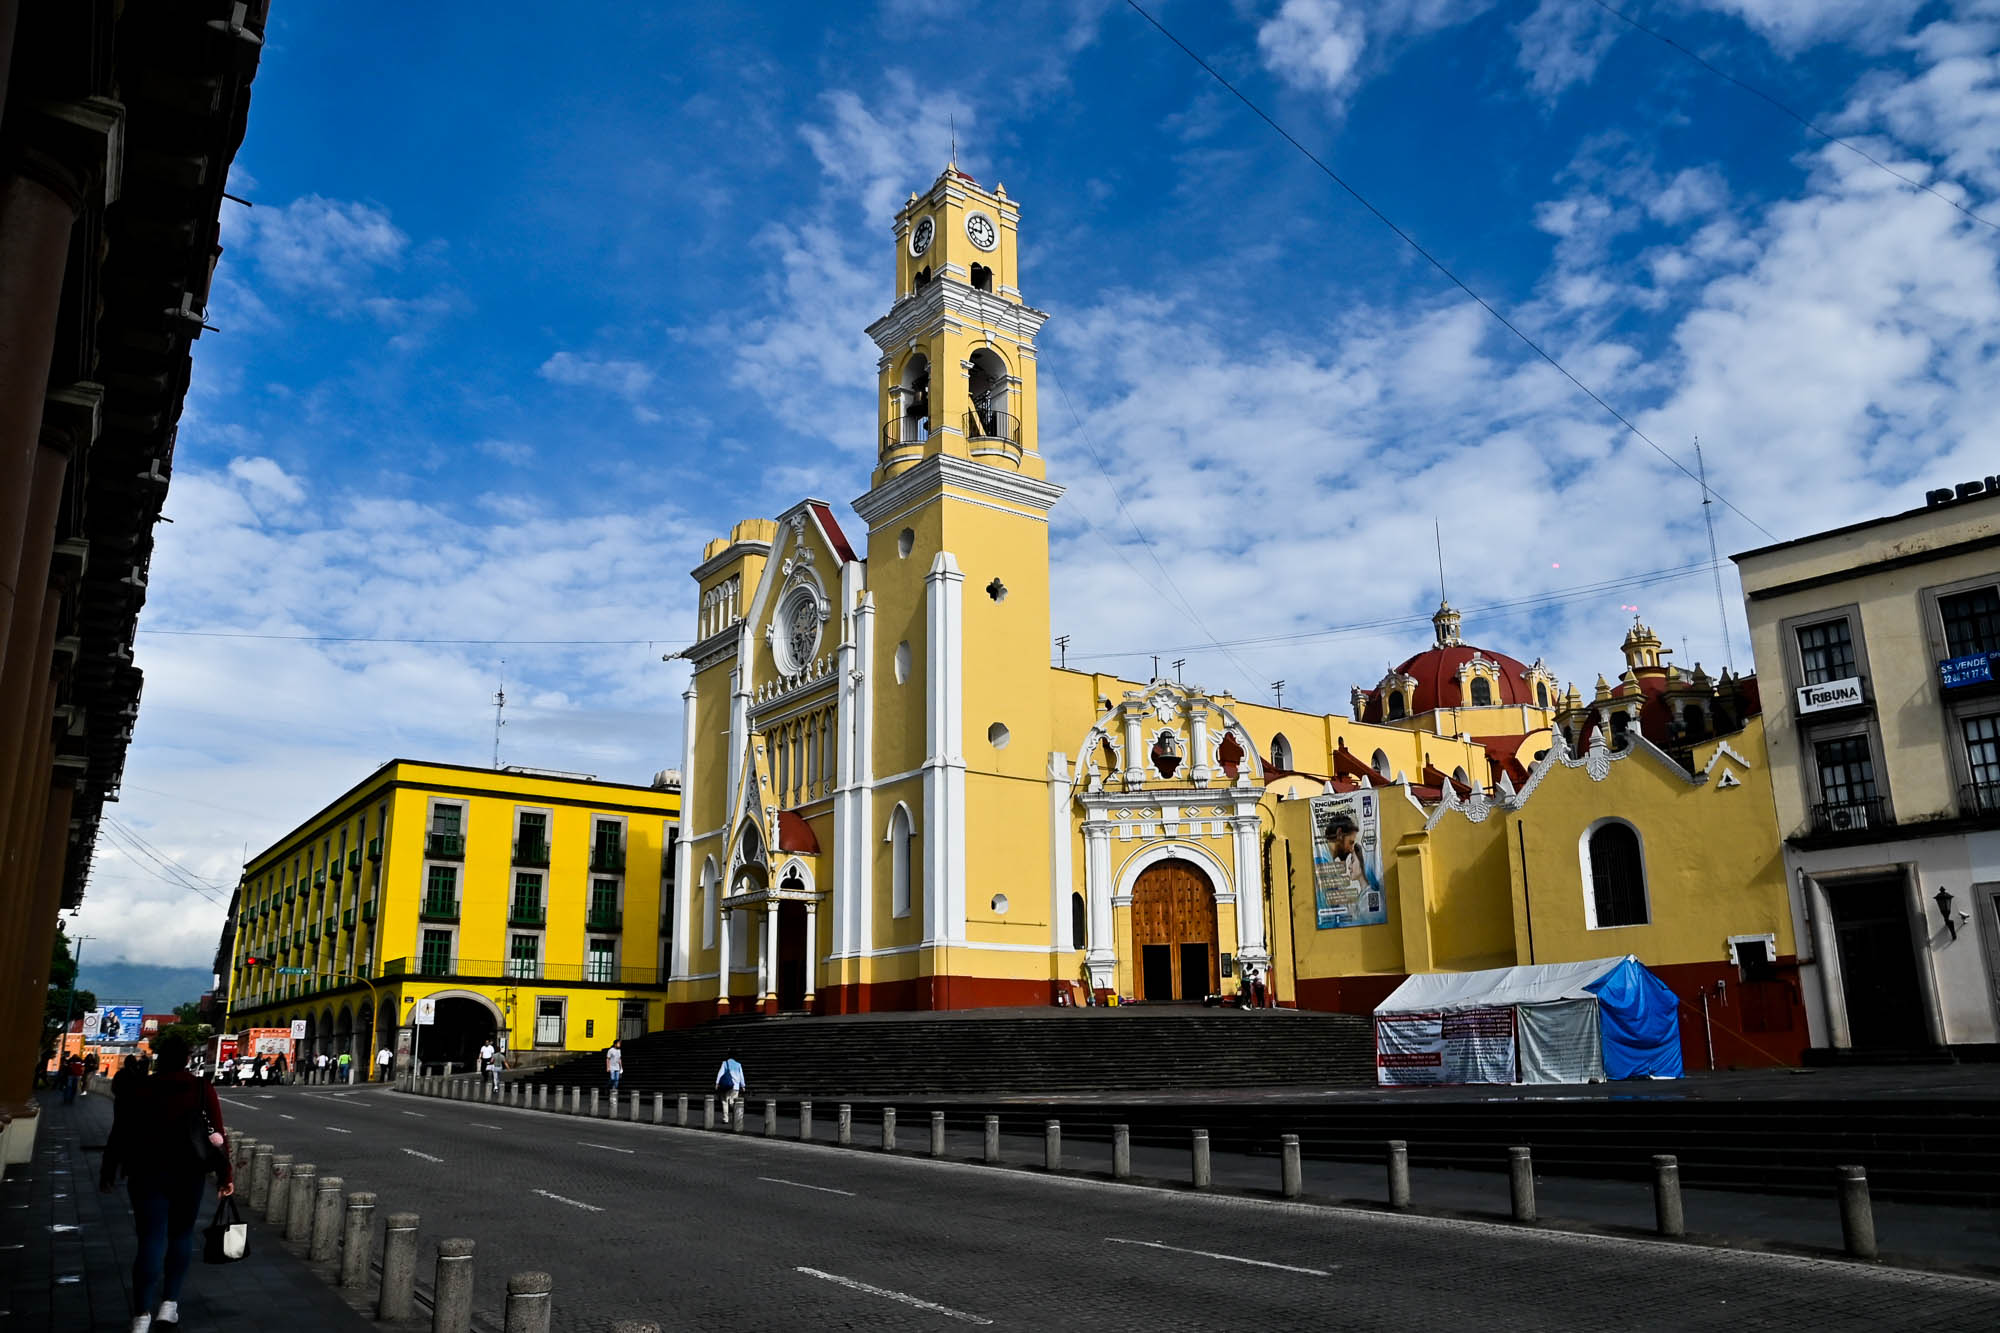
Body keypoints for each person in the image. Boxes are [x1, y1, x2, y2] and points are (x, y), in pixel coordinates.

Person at [100, 1032, 233, 1333]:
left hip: (146, 1172)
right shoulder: (201, 1088)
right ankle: (169, 1305)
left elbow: (120, 1131)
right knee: (181, 1236)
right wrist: (226, 1176)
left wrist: (108, 1170)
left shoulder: (141, 1088)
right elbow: (217, 1135)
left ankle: (141, 1316)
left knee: (150, 1239)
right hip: (188, 1173)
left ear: (160, 1059)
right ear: (187, 1059)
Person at [715, 1050, 745, 1120]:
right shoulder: (738, 1064)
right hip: (736, 1087)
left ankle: (726, 1118)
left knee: (725, 1102)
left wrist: (717, 1083)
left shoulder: (725, 1063)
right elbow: (741, 1076)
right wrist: (743, 1086)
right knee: (733, 1102)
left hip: (726, 1086)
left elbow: (720, 1073)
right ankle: (736, 1116)